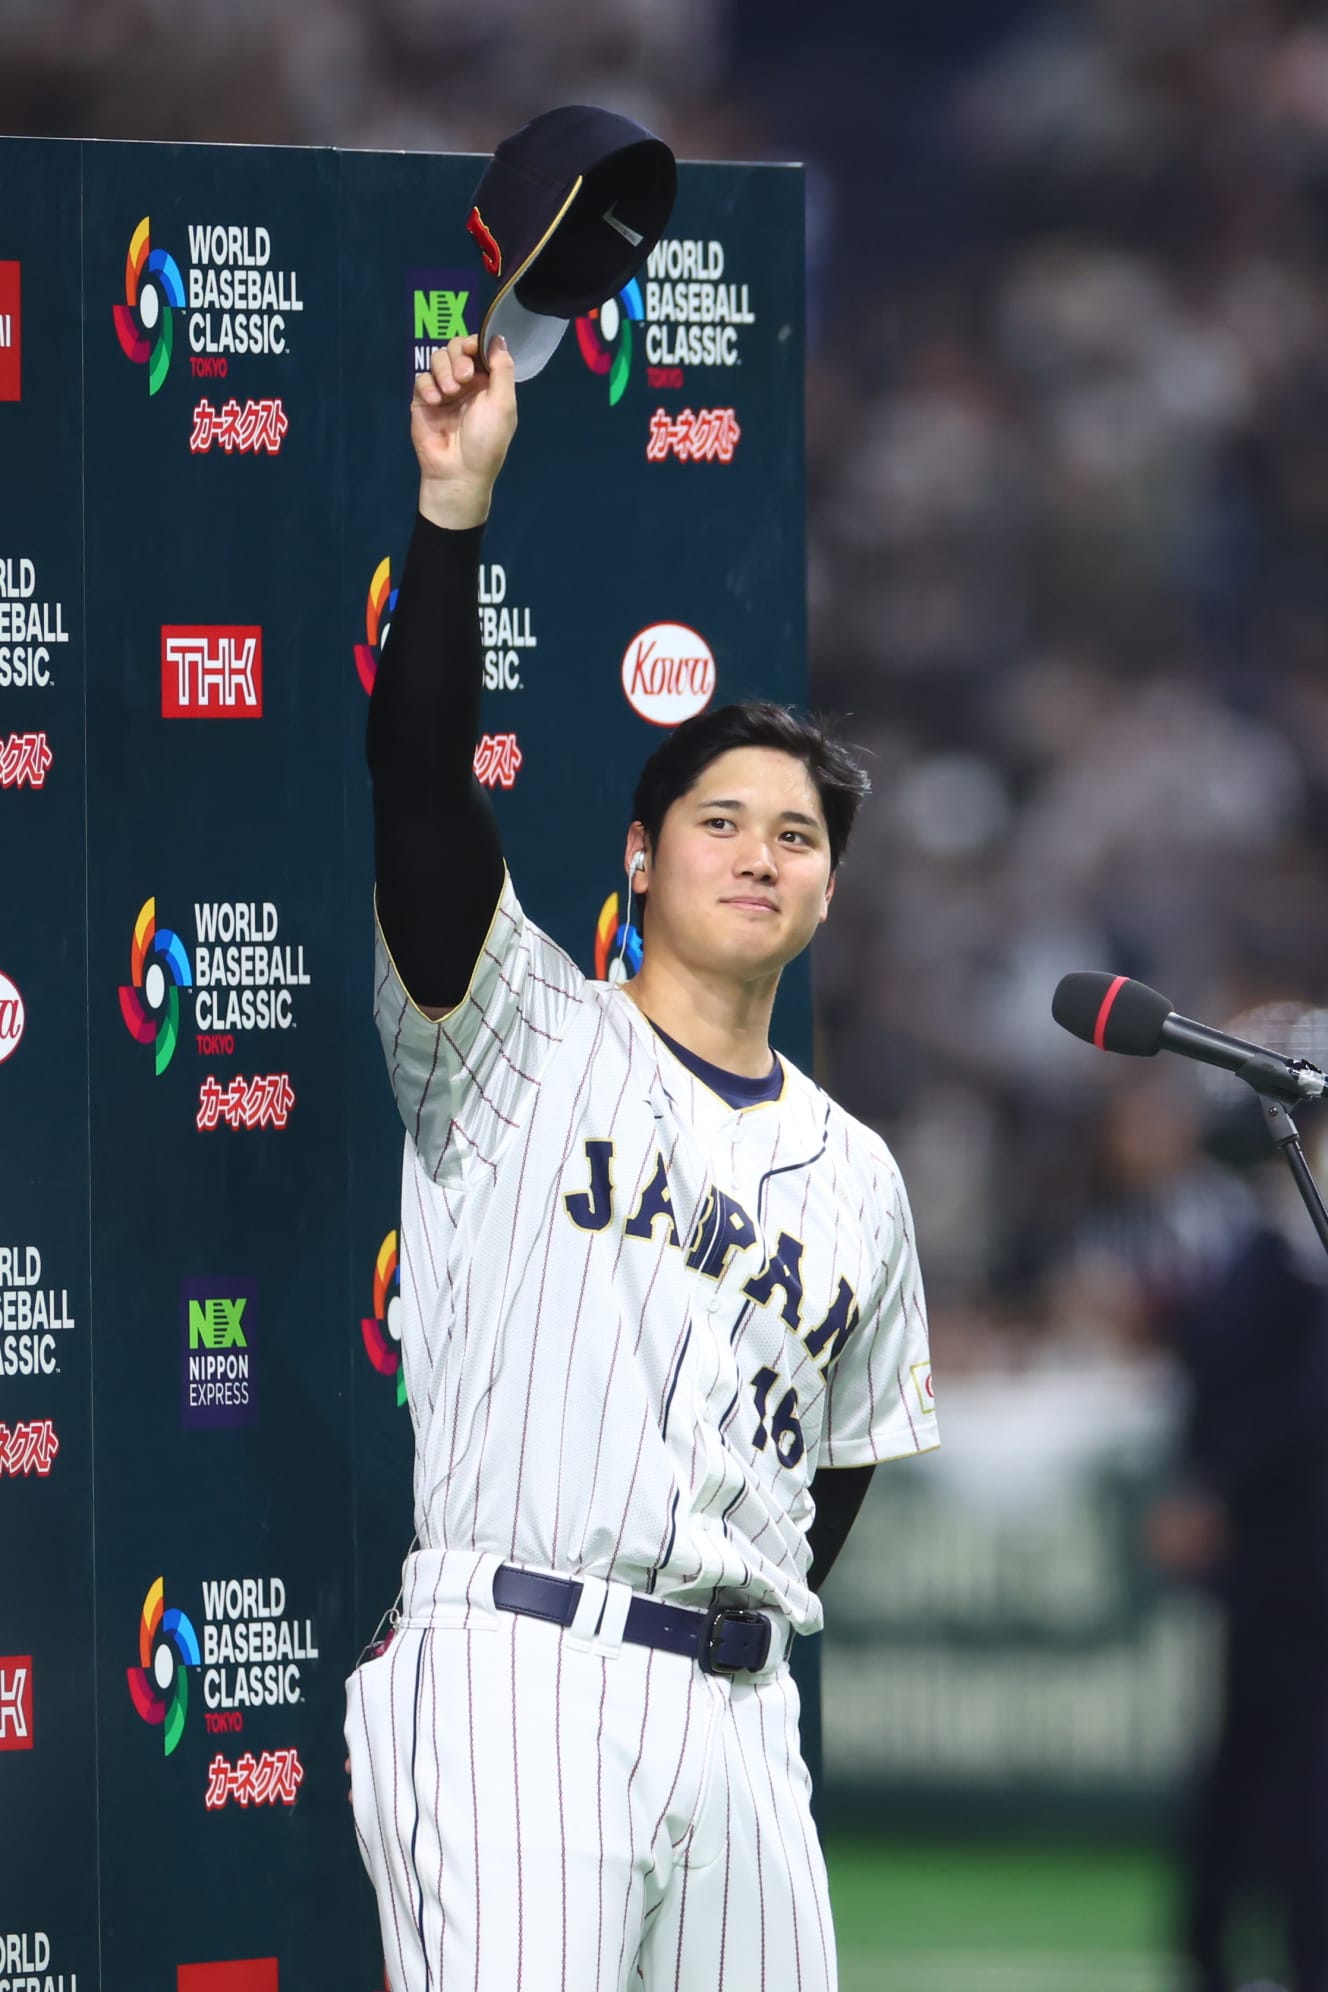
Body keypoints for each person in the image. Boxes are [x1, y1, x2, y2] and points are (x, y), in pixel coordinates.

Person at [343, 330, 937, 1992]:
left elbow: (841, 1474)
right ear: (640, 857)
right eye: (724, 820)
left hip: (743, 1717)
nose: (763, 852)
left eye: (800, 836)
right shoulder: (525, 1026)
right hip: (520, 1669)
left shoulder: (859, 1175)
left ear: (826, 896)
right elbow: (416, 783)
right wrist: (453, 512)